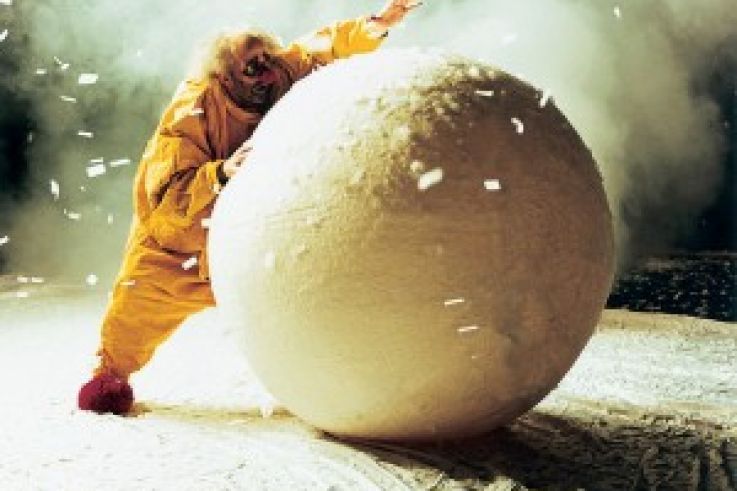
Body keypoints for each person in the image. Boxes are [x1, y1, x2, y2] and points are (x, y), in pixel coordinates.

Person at [77, 1, 421, 415]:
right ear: (223, 77)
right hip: (180, 246)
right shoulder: (192, 108)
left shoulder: (282, 72)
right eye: (252, 68)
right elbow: (165, 194)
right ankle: (109, 375)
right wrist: (221, 173)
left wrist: (377, 25)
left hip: (255, 239)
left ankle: (341, 382)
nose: (268, 74)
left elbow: (322, 49)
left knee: (306, 300)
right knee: (136, 304)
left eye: (268, 60)